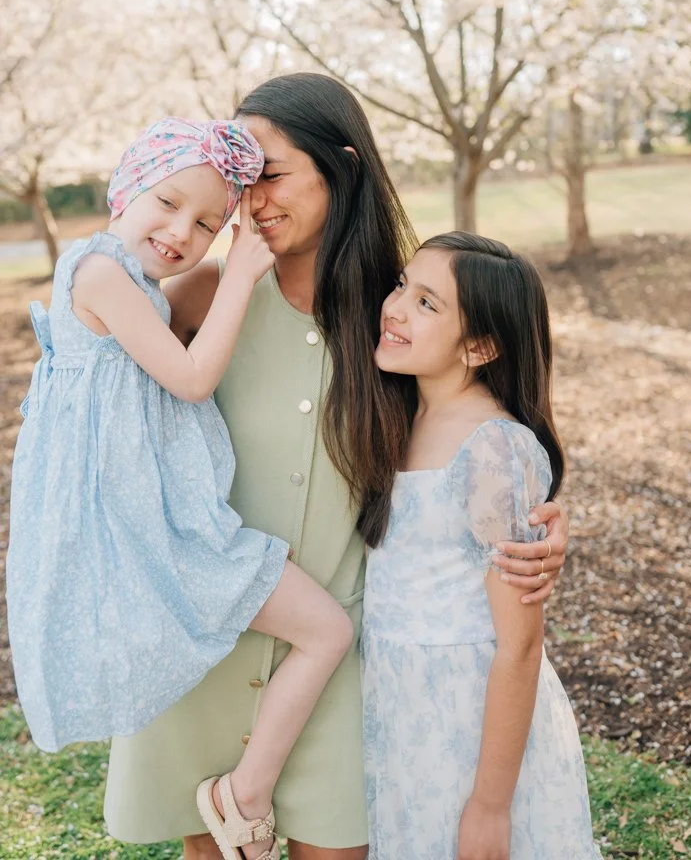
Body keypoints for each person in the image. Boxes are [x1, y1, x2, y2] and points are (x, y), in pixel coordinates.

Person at [103, 75, 570, 860]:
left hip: (341, 668)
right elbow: (89, 380)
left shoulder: (396, 314)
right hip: (205, 640)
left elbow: (477, 419)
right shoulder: (205, 296)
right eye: (241, 180)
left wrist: (539, 518)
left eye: (272, 175)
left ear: (343, 169)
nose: (251, 201)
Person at [7, 118, 353, 860]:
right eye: (166, 203)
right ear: (125, 189)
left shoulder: (135, 282)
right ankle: (245, 795)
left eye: (206, 224)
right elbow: (193, 382)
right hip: (159, 540)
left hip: (161, 528)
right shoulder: (100, 274)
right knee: (327, 630)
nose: (179, 232)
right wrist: (237, 274)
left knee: (320, 630)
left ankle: (242, 792)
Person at [362, 232, 600, 860]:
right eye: (400, 287)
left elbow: (520, 644)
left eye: (427, 304)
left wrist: (491, 806)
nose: (394, 308)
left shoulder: (491, 448)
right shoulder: (402, 414)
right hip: (405, 710)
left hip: (468, 720)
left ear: (481, 345)